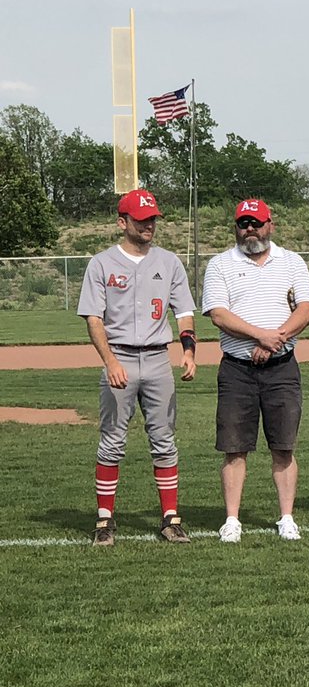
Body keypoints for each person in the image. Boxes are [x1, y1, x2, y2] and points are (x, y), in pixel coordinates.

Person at [76, 189, 197, 545]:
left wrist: (188, 351)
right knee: (112, 441)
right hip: (121, 358)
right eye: (142, 220)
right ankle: (104, 522)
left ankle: (170, 519)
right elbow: (94, 318)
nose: (149, 225)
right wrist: (110, 360)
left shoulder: (170, 261)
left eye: (152, 219)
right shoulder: (101, 263)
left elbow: (184, 311)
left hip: (159, 358)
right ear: (122, 222)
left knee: (164, 441)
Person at [202, 199, 309, 543]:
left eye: (256, 222)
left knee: (283, 447)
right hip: (237, 369)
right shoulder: (220, 264)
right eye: (243, 223)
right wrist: (261, 335)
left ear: (271, 225)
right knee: (234, 447)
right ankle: (232, 520)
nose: (249, 229)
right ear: (235, 228)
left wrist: (274, 340)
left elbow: (307, 309)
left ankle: (286, 518)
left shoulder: (292, 261)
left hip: (282, 368)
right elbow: (219, 314)